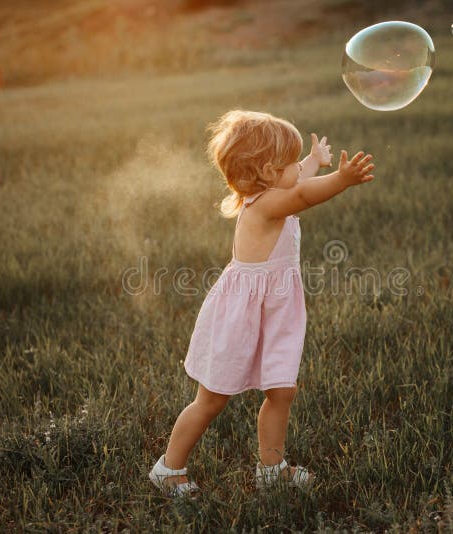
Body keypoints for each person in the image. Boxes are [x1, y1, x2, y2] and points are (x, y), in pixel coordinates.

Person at [149, 110, 375, 497]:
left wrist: (311, 160)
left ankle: (272, 468)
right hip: (242, 314)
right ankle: (168, 468)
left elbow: (295, 178)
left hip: (274, 309)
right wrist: (341, 178)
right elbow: (301, 192)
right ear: (269, 173)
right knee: (212, 400)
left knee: (281, 390)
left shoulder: (272, 187)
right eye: (291, 161)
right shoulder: (267, 204)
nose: (297, 169)